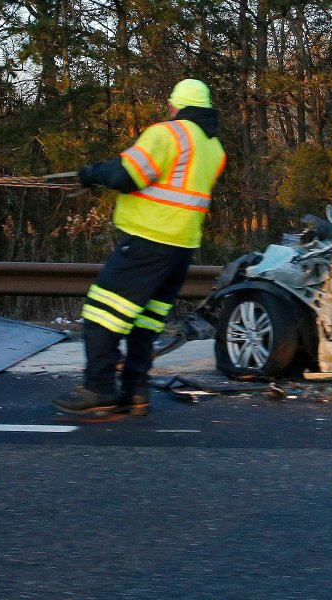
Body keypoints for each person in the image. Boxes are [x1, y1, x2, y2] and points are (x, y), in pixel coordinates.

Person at [52, 79, 227, 417]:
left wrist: (91, 173)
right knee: (144, 322)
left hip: (149, 240)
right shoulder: (214, 147)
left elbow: (126, 175)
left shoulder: (169, 133)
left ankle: (99, 389)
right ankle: (135, 392)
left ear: (176, 106)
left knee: (100, 315)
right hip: (182, 246)